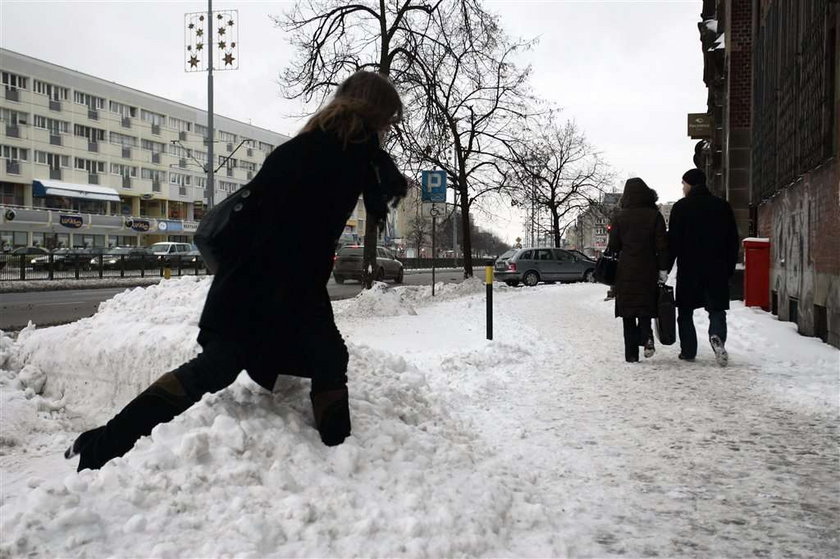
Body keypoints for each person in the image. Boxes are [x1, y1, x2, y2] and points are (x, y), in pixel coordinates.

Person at [66, 71, 407, 471]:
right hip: (269, 287)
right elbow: (380, 184)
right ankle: (344, 463)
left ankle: (102, 445)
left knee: (269, 363)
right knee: (298, 361)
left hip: (261, 284)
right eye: (388, 117)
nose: (389, 127)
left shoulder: (314, 151)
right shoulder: (346, 155)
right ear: (373, 111)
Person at [667, 168, 739, 366]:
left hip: (689, 269)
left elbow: (673, 241)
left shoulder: (681, 208)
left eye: (683, 184)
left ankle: (688, 350)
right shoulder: (722, 206)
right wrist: (729, 268)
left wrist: (665, 266)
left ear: (690, 184)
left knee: (685, 311)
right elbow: (732, 240)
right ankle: (716, 337)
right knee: (716, 309)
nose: (682, 188)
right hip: (717, 267)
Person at [607, 178, 669, 363]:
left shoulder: (619, 217)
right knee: (644, 307)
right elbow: (663, 245)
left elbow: (613, 245)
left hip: (625, 270)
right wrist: (663, 269)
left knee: (628, 313)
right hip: (648, 268)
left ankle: (631, 355)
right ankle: (646, 337)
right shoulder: (654, 215)